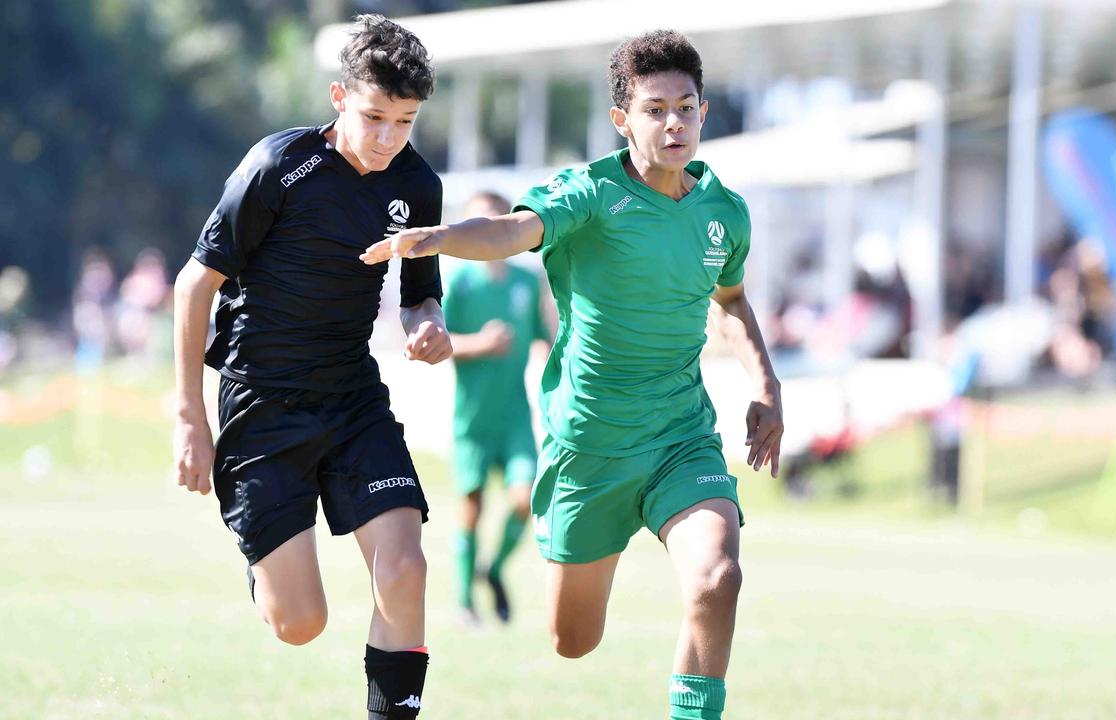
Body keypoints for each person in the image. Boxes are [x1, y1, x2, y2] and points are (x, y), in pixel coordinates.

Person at [363, 30, 783, 720]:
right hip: (588, 447)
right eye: (654, 109)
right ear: (623, 120)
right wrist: (441, 238)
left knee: (717, 578)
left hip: (681, 437)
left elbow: (730, 301)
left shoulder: (723, 213)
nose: (672, 122)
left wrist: (765, 387)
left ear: (703, 111)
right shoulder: (588, 193)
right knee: (572, 641)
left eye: (684, 106)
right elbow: (513, 231)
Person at [171, 15, 448, 719]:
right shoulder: (278, 166)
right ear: (337, 97)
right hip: (262, 407)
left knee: (406, 567)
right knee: (300, 624)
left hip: (353, 399)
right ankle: (266, 569)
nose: (388, 138)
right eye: (374, 117)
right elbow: (193, 285)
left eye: (405, 122)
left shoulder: (417, 185)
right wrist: (189, 418)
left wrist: (429, 329)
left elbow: (420, 298)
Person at [444, 191, 552, 627]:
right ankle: (465, 600)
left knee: (525, 501)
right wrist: (478, 344)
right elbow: (433, 342)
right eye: (474, 223)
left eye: (492, 221)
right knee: (470, 507)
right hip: (472, 418)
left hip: (514, 417)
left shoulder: (527, 281)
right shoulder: (458, 284)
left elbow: (546, 338)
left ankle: (494, 569)